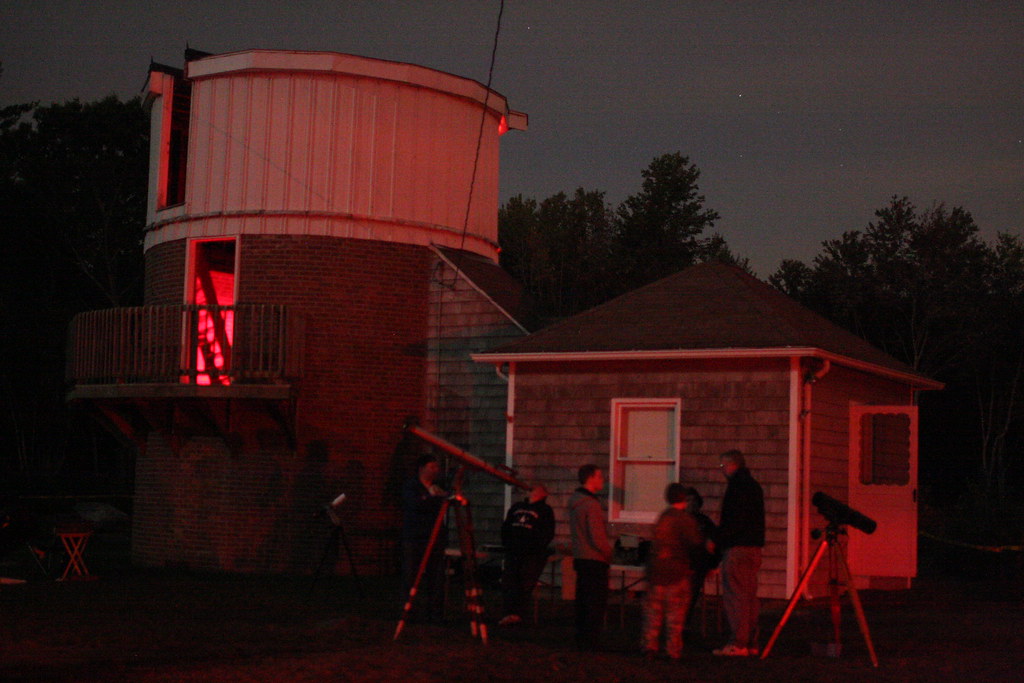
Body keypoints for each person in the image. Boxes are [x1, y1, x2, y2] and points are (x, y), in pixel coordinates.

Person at [710, 449, 765, 656]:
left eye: (723, 465)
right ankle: (751, 642)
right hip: (754, 548)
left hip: (737, 548)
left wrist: (717, 540)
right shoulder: (754, 487)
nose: (722, 470)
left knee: (735, 596)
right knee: (750, 596)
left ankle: (738, 642)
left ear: (732, 464)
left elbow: (732, 521)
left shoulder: (735, 488)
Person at [641, 483, 703, 660]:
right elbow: (695, 544)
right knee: (675, 615)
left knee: (653, 613)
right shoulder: (684, 520)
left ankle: (649, 646)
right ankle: (673, 650)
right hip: (676, 573)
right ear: (684, 499)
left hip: (656, 572)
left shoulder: (662, 517)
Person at [568, 464, 614, 650]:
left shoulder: (575, 501)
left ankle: (582, 636)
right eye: (600, 476)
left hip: (580, 556)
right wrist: (609, 553)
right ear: (591, 478)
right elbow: (597, 537)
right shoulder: (591, 504)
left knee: (583, 600)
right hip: (594, 559)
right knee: (595, 602)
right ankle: (591, 639)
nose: (603, 480)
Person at [498, 484, 555, 626]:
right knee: (509, 581)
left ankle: (518, 614)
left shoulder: (545, 510)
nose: (532, 490)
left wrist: (536, 546)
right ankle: (508, 613)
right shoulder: (517, 507)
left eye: (536, 488)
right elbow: (506, 526)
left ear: (543, 494)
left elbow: (547, 532)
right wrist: (507, 542)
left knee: (524, 582)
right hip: (513, 550)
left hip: (531, 553)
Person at [401, 453, 448, 623]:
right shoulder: (411, 486)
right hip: (414, 537)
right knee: (411, 574)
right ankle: (409, 611)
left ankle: (434, 613)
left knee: (436, 576)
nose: (436, 470)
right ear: (422, 468)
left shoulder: (439, 487)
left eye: (437, 467)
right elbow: (416, 504)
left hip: (434, 537)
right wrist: (430, 498)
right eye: (432, 467)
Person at [683, 487, 719, 630]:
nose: (691, 504)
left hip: (697, 567)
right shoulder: (677, 521)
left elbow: (716, 543)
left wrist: (713, 565)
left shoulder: (704, 522)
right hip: (678, 565)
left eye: (693, 500)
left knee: (690, 595)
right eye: (688, 500)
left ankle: (684, 625)